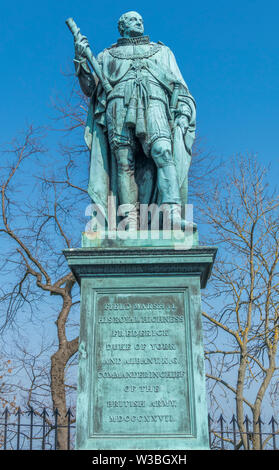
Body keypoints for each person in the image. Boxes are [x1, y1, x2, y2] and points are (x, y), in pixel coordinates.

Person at [73, 11, 196, 231]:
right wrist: (81, 59)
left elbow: (180, 87)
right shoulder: (106, 55)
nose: (138, 21)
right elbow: (90, 89)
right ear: (122, 26)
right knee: (124, 162)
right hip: (117, 106)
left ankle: (171, 214)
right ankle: (128, 220)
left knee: (163, 152)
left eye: (140, 19)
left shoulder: (162, 52)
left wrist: (185, 112)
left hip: (155, 104)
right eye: (132, 19)